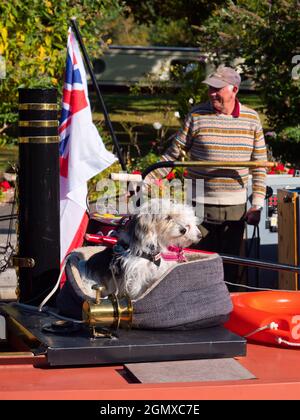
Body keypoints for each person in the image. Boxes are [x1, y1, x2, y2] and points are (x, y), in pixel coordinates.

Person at [146, 65, 267, 286]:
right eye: (210, 88)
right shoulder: (197, 115)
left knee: (229, 266)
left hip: (235, 206)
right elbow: (173, 153)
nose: (212, 93)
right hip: (198, 204)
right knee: (196, 261)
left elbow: (260, 165)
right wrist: (147, 179)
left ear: (234, 90)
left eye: (217, 89)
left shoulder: (251, 119)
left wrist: (257, 204)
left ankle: (228, 309)